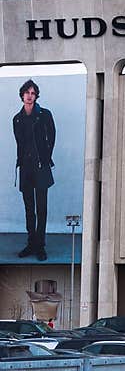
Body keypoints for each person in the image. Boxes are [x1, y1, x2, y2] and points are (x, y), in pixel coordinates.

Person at [12, 79, 56, 262]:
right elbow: (20, 143)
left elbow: (52, 137)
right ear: (22, 95)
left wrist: (45, 159)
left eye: (33, 93)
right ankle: (31, 243)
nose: (30, 96)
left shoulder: (44, 114)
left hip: (41, 167)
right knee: (29, 208)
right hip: (26, 168)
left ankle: (40, 246)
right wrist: (22, 163)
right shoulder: (17, 118)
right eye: (27, 93)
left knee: (42, 208)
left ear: (36, 96)